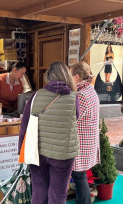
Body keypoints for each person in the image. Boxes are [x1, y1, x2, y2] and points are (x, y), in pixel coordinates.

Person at [18, 62, 79, 204]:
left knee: (39, 193)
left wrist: (21, 151)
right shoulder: (73, 97)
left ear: (48, 77)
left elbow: (25, 125)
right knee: (58, 195)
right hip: (62, 154)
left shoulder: (35, 95)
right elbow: (76, 117)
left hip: (37, 152)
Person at [70, 62, 100, 204]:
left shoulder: (81, 95)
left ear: (76, 76)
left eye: (70, 75)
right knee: (79, 176)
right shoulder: (91, 90)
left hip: (81, 141)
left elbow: (73, 118)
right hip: (89, 140)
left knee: (79, 176)